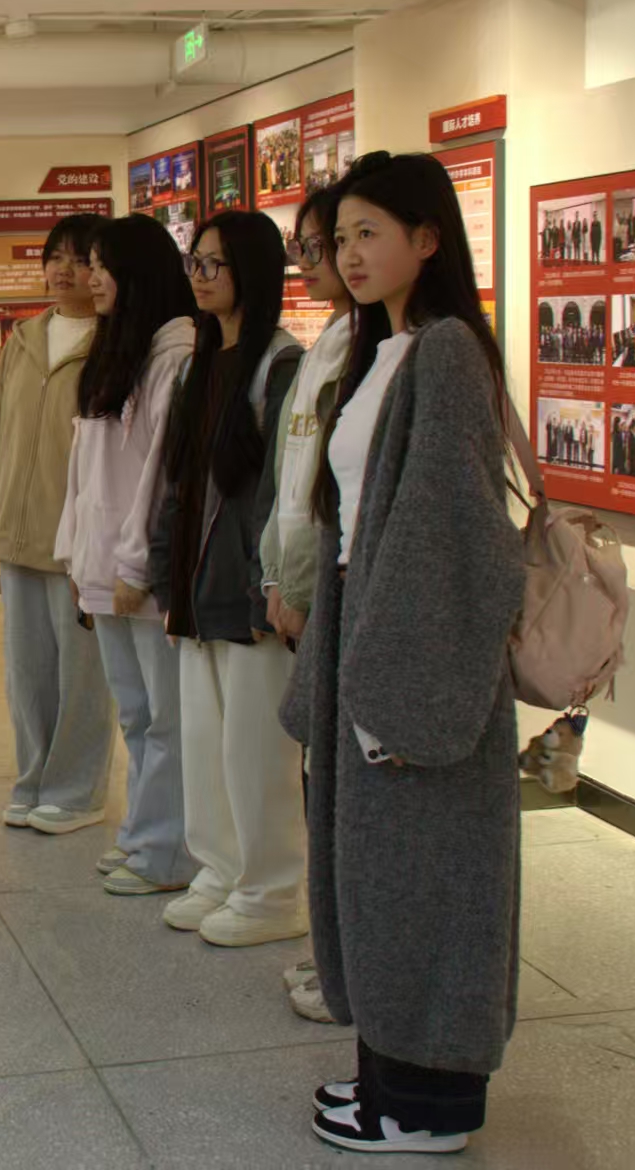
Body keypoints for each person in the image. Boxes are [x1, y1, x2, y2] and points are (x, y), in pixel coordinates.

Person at [280, 152, 526, 1155]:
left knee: (427, 880)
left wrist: (395, 690)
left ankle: (428, 1105)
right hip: (369, 640)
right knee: (381, 877)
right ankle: (388, 1073)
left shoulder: (447, 352)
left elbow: (447, 531)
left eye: (368, 233)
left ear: (428, 239)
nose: (348, 254)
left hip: (412, 663)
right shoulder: (380, 349)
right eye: (339, 238)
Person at [147, 210, 304, 948]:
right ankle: (219, 869)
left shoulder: (282, 365)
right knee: (206, 744)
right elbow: (177, 484)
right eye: (195, 263)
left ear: (254, 270)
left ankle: (270, 891)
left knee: (256, 752)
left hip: (247, 592)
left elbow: (282, 493)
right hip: (194, 586)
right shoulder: (198, 363)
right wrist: (164, 575)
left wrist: (267, 584)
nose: (200, 277)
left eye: (214, 263)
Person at [52, 214, 199, 895]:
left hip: (140, 575)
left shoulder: (176, 356)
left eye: (103, 266)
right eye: (91, 265)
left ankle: (169, 852)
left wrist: (137, 565)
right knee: (136, 714)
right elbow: (85, 473)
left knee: (166, 718)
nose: (91, 278)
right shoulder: (117, 352)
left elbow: (161, 478)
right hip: (102, 567)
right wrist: (76, 555)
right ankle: (142, 834)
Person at [0, 213, 115, 836]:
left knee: (83, 675)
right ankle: (32, 779)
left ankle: (77, 792)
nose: (63, 270)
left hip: (79, 542)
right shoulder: (24, 339)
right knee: (26, 674)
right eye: (55, 257)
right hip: (19, 534)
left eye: (80, 260)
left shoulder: (114, 342)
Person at [260, 181, 356, 1018]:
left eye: (355, 237)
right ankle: (334, 954)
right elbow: (292, 483)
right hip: (305, 584)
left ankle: (349, 964)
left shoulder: (394, 349)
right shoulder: (329, 343)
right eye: (322, 243)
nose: (330, 258)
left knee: (345, 795)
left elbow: (333, 498)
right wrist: (278, 578)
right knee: (320, 785)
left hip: (342, 592)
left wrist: (296, 583)